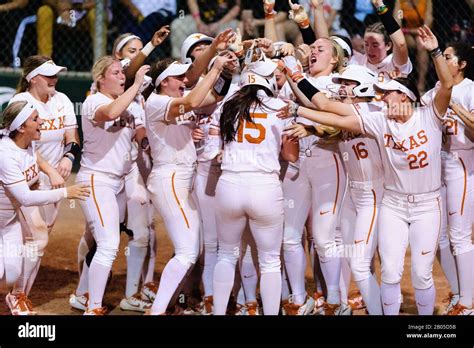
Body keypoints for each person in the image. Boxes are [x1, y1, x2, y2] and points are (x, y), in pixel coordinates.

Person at [281, 25, 453, 315]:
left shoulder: (413, 115)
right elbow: (324, 108)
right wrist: (299, 106)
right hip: (365, 196)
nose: (342, 86)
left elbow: (445, 86)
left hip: (386, 196)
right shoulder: (372, 117)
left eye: (347, 82)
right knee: (371, 265)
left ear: (403, 95)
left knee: (413, 271)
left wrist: (435, 52)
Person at [211, 57, 299, 315]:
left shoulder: (228, 104)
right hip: (264, 185)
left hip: (229, 183)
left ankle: (218, 312)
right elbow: (291, 156)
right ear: (268, 80)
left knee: (226, 255)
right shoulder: (281, 105)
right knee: (270, 261)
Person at [145, 54, 232, 315]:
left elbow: (214, 97)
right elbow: (194, 100)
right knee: (186, 252)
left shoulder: (173, 101)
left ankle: (162, 307)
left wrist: (226, 71)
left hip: (181, 179)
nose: (185, 79)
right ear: (163, 82)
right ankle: (158, 310)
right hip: (170, 178)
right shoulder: (157, 102)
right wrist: (214, 67)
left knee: (190, 251)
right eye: (179, 77)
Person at [74, 56, 149, 315]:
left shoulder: (127, 105)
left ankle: (83, 295)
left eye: (122, 73)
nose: (121, 76)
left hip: (117, 182)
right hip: (96, 180)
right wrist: (136, 84)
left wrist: (142, 142)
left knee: (103, 241)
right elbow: (111, 112)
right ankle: (92, 307)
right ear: (100, 79)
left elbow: (138, 132)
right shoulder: (94, 101)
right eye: (115, 73)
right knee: (108, 244)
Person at [0, 101, 89, 315]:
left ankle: (16, 296)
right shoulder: (6, 153)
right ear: (21, 127)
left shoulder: (28, 145)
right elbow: (26, 198)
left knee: (11, 275)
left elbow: (29, 178)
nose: (42, 122)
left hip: (8, 221)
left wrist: (40, 178)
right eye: (35, 119)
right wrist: (66, 192)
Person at [7, 55, 80, 315]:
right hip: (26, 178)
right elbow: (23, 146)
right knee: (38, 234)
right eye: (48, 75)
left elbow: (72, 135)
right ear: (32, 78)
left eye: (55, 74)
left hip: (52, 181)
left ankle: (20, 291)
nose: (54, 79)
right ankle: (18, 295)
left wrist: (68, 157)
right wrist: (49, 167)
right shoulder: (21, 103)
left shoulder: (62, 100)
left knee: (39, 238)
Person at [422, 42, 474, 315]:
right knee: (438, 235)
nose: (443, 60)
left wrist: (453, 105)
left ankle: (468, 302)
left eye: (449, 57)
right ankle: (459, 293)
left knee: (460, 235)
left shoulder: (471, 89)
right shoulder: (433, 93)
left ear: (462, 64)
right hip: (436, 167)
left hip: (462, 164)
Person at [397, 0, 433, 92]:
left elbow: (427, 23)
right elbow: (398, 20)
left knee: (420, 43)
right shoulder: (401, 2)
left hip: (420, 33)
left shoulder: (425, 2)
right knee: (406, 42)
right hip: (406, 33)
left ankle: (421, 83)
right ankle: (401, 80)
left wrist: (415, 31)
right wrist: (405, 30)